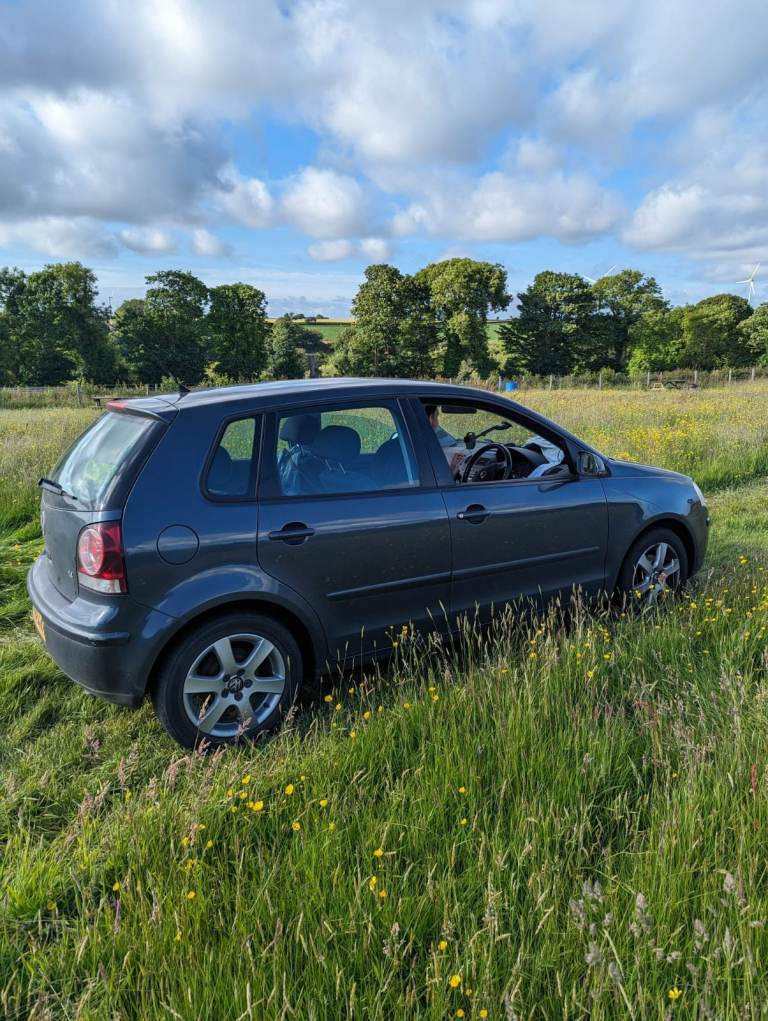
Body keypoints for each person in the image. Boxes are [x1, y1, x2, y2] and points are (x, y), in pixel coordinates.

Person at [425, 404, 467, 478]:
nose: (437, 423)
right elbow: (435, 486)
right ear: (431, 419)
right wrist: (452, 472)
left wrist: (453, 466)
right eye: (436, 416)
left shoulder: (405, 444)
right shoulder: (423, 450)